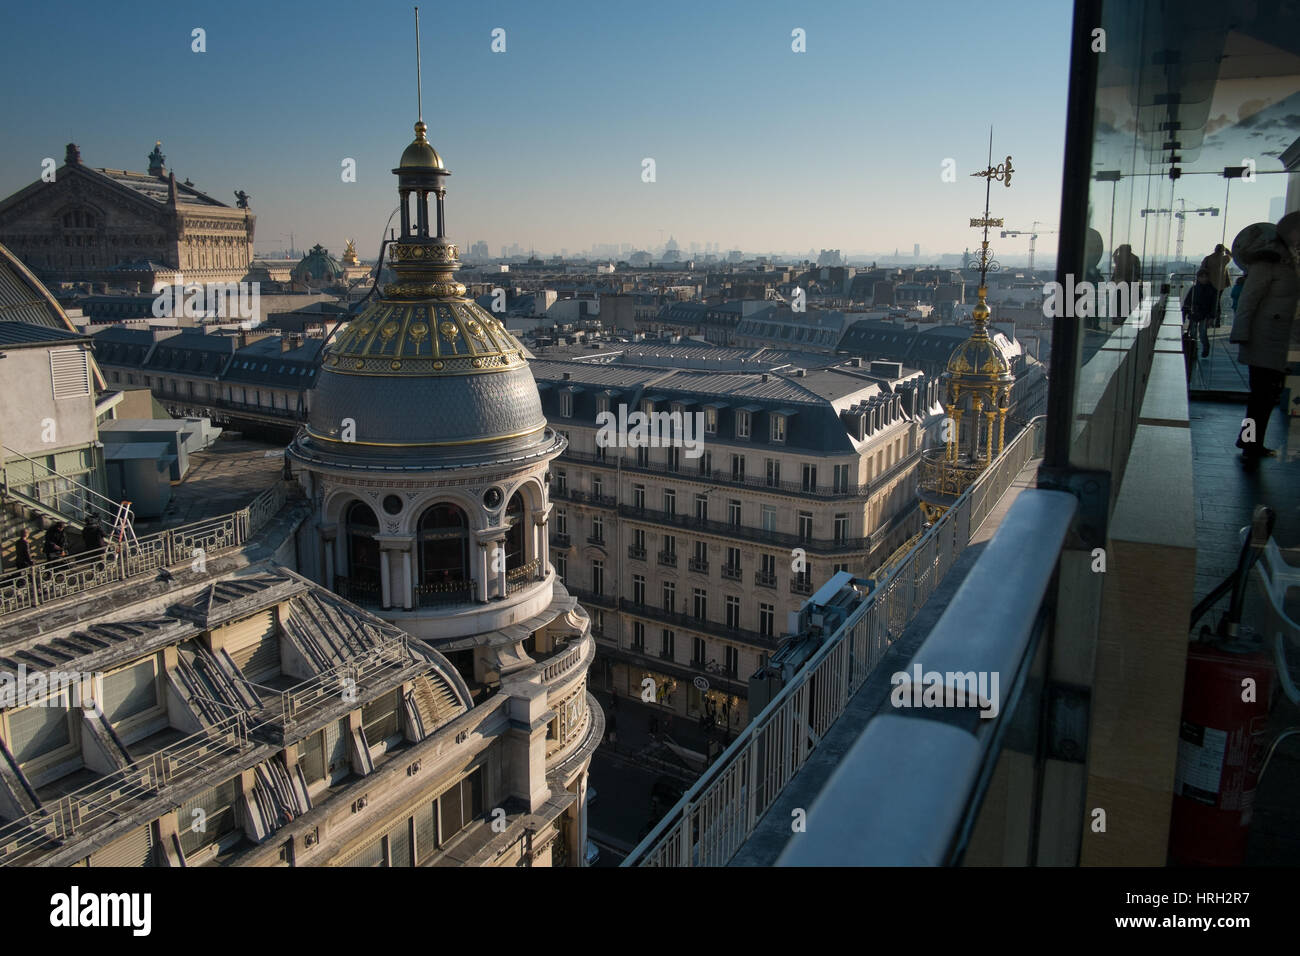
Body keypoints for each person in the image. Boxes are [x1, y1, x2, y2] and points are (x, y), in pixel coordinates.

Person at [1232, 224, 1298, 465]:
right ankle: (1250, 442)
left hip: (1274, 342)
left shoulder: (1283, 265)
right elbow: (1247, 302)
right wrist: (1241, 335)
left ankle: (1250, 440)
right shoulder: (1268, 265)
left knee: (1264, 396)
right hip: (1263, 342)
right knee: (1262, 396)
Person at [1183, 268, 1218, 358]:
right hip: (1195, 313)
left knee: (1202, 333)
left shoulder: (1211, 290)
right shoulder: (1195, 289)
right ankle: (1193, 350)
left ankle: (1204, 348)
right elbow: (1188, 301)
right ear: (1198, 278)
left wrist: (1212, 316)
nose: (1204, 279)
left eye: (1205, 277)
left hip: (1204, 314)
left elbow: (1214, 304)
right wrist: (1185, 311)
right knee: (1193, 332)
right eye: (1202, 277)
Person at [1200, 244, 1232, 326]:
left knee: (1210, 302)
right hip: (1220, 284)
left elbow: (1202, 268)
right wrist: (1227, 250)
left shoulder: (1208, 258)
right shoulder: (1224, 259)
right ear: (1222, 251)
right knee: (1217, 303)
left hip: (1209, 283)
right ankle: (1216, 321)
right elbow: (1231, 256)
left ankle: (1208, 320)